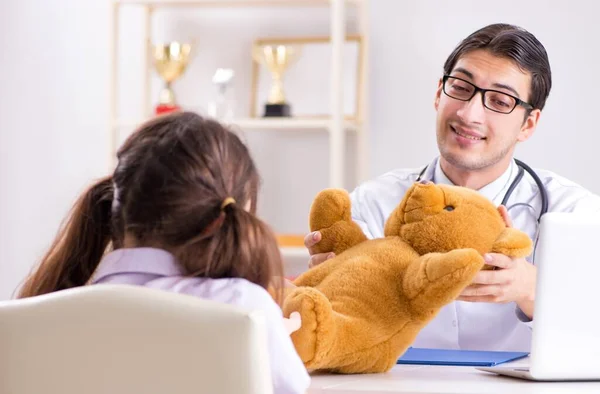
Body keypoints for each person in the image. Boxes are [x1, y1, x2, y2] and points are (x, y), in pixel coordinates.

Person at [305, 23, 600, 352]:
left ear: (528, 124)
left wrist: (534, 291)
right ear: (438, 93)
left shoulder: (575, 213)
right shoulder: (374, 203)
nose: (469, 113)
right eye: (460, 87)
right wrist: (334, 281)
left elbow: (591, 337)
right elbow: (345, 325)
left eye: (500, 101)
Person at [17, 111, 310, 394]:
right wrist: (273, 341)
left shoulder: (33, 321)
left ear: (115, 212)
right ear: (223, 220)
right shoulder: (243, 305)